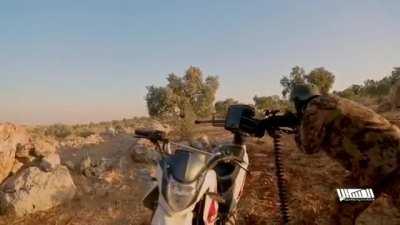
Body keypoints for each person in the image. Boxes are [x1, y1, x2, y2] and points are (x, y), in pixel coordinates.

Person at [290, 84, 400, 225]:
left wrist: (297, 127)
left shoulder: (314, 108)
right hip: (390, 158)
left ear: (298, 101)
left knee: (343, 207)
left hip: (376, 165)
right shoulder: (335, 101)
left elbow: (309, 147)